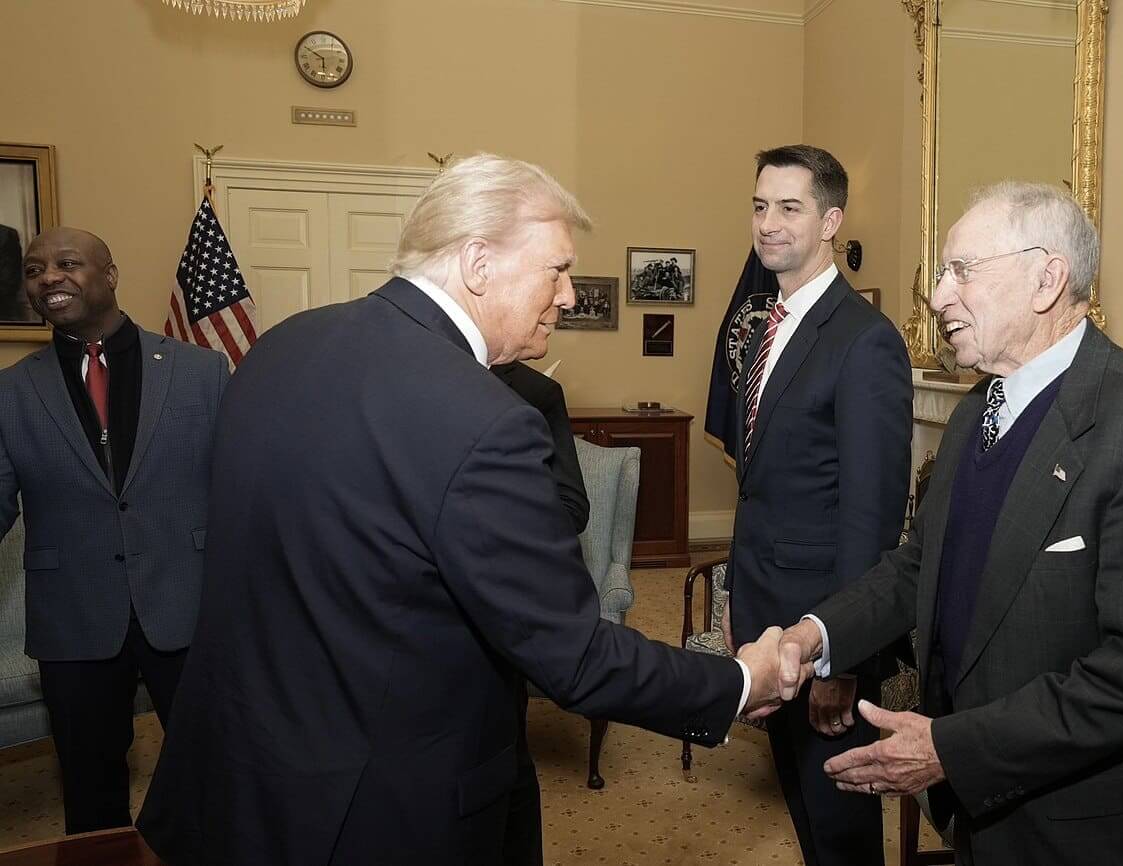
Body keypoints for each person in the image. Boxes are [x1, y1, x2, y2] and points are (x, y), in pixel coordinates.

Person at [137, 153, 785, 866]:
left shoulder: (282, 345)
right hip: (376, 809)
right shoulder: (488, 419)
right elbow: (573, 656)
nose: (570, 296)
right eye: (557, 269)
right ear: (478, 262)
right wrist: (739, 682)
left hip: (237, 774)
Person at [776, 181, 1123, 866]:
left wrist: (949, 748)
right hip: (981, 812)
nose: (937, 295)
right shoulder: (975, 412)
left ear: (1048, 279)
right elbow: (919, 565)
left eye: (962, 270)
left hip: (1086, 824)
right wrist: (819, 634)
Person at [721, 144, 913, 866]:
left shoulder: (864, 341)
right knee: (806, 815)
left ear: (831, 220)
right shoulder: (770, 324)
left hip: (823, 628)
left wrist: (843, 659)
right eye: (760, 205)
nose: (768, 223)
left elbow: (871, 517)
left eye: (790, 208)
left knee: (839, 830)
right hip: (770, 614)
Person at [0, 227, 228, 833]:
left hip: (188, 604)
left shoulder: (202, 371)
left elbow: (242, 490)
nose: (49, 277)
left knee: (215, 777)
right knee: (90, 787)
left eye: (67, 263)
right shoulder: (11, 392)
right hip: (74, 616)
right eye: (33, 270)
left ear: (109, 273)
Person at [489, 359, 589, 866]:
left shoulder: (537, 392)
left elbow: (574, 506)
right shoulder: (394, 367)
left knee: (506, 782)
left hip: (501, 617)